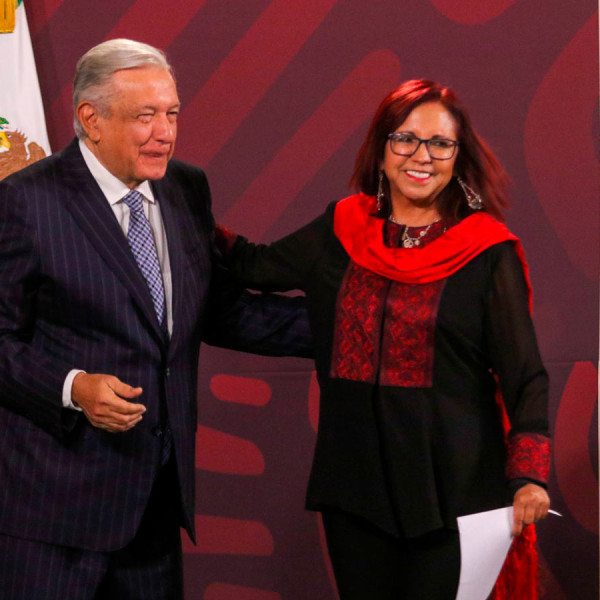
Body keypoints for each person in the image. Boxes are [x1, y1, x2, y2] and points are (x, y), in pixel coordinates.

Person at [0, 39, 310, 600]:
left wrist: (361, 327)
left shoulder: (185, 188)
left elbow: (219, 310)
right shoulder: (24, 202)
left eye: (172, 114)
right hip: (46, 508)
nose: (164, 132)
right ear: (91, 119)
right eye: (145, 116)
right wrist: (73, 388)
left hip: (152, 500)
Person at [215, 79, 551, 599]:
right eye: (406, 139)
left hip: (456, 495)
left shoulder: (488, 250)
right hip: (355, 491)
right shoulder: (342, 226)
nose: (422, 156)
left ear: (458, 157)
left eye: (440, 143)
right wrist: (175, 210)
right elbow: (252, 266)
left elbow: (524, 375)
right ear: (382, 147)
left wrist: (529, 476)